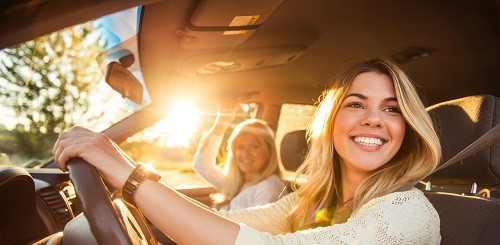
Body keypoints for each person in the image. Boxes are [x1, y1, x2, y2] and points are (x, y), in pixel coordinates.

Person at [53, 56, 442, 244]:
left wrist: (129, 174)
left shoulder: (406, 213)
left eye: (391, 109)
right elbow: (229, 226)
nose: (374, 119)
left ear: (406, 129)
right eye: (356, 104)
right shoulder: (309, 202)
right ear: (331, 122)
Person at [192, 102, 287, 210]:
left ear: (268, 152)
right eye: (240, 147)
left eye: (254, 147)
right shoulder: (236, 182)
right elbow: (201, 165)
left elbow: (255, 226)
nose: (245, 153)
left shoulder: (269, 188)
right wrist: (221, 123)